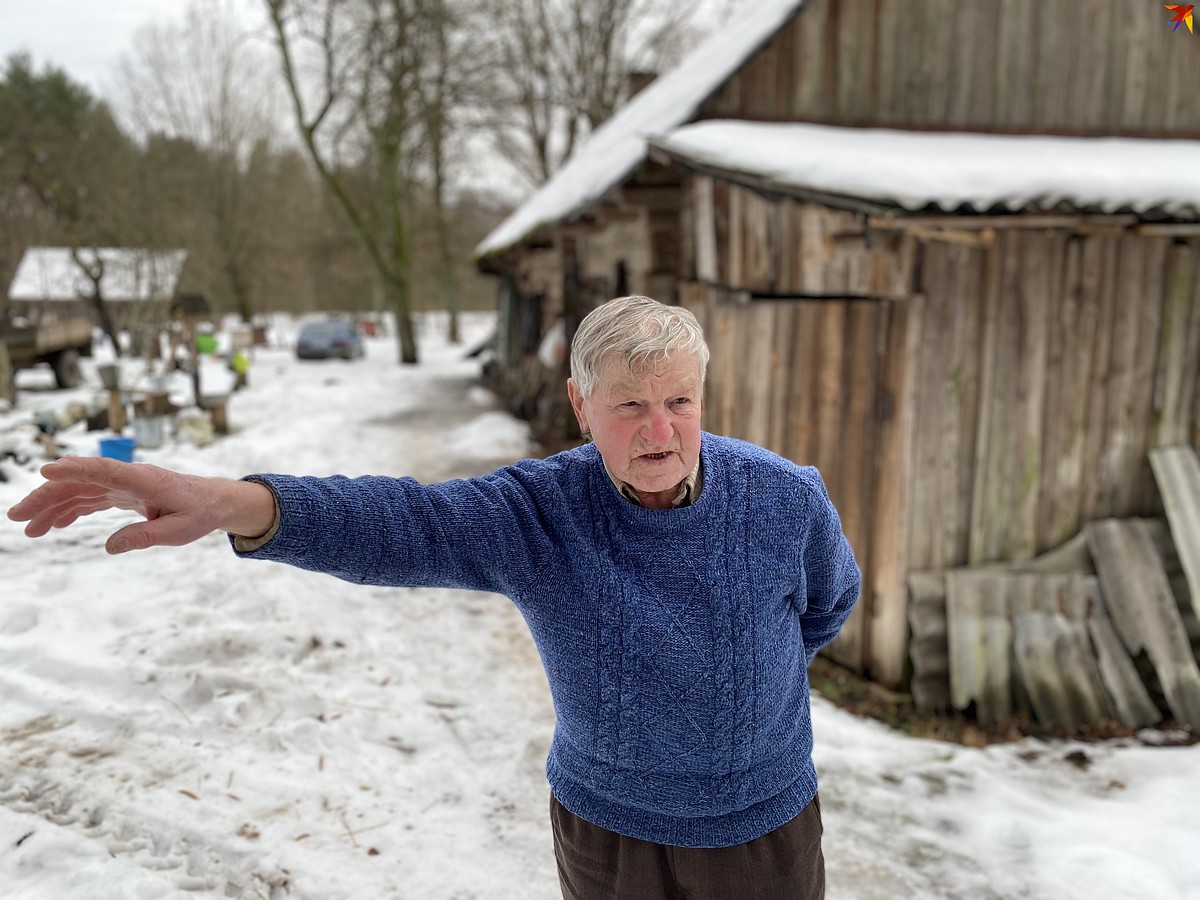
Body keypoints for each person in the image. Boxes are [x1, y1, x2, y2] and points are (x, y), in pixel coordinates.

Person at [8, 295, 861, 900]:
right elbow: (403, 522)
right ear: (580, 404)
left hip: (764, 831)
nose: (661, 431)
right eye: (630, 406)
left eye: (680, 401)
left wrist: (738, 701)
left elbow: (827, 605)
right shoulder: (541, 513)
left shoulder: (783, 500)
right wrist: (234, 502)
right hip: (612, 836)